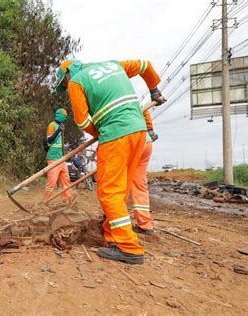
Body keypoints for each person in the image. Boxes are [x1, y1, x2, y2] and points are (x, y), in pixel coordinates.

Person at [55, 59, 166, 264]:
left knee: (108, 191)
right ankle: (112, 234)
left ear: (69, 72)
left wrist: (101, 131)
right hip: (139, 133)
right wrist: (154, 90)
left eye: (64, 82)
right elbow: (145, 65)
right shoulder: (114, 64)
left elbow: (82, 121)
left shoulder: (76, 82)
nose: (65, 85)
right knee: (121, 188)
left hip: (115, 136)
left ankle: (129, 247)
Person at [130, 110, 158, 235]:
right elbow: (144, 110)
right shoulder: (131, 98)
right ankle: (145, 224)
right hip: (146, 141)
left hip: (129, 140)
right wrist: (150, 129)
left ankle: (112, 220)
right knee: (139, 184)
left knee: (117, 182)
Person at [44, 108, 72, 203]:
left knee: (66, 181)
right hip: (53, 159)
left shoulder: (61, 126)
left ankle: (67, 201)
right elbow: (49, 140)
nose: (65, 120)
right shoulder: (52, 126)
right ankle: (45, 202)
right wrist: (58, 130)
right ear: (61, 117)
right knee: (51, 183)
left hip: (61, 159)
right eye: (64, 118)